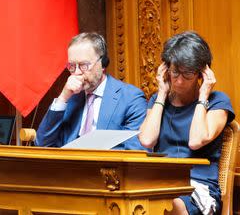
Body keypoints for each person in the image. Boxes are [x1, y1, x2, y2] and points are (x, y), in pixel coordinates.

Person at [138, 31, 234, 215]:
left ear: (202, 73)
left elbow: (196, 140)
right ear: (166, 70)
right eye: (175, 72)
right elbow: (147, 140)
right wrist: (162, 93)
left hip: (198, 186)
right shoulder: (158, 101)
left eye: (188, 74)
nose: (179, 81)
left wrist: (203, 95)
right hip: (160, 183)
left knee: (168, 204)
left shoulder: (217, 102)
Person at [35, 32, 146, 149]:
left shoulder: (131, 98)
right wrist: (63, 98)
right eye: (72, 66)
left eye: (84, 65)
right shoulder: (70, 98)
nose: (76, 72)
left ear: (103, 64)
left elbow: (136, 151)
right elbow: (43, 143)